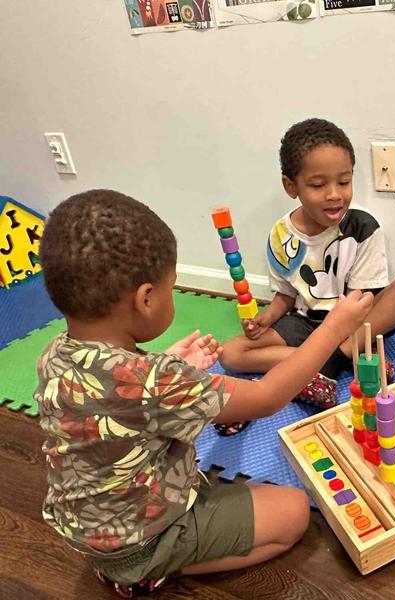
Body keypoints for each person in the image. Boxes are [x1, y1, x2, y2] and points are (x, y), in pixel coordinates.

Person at [35, 190, 373, 596]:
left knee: (255, 495)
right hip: (140, 540)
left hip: (91, 527)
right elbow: (266, 397)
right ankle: (149, 570)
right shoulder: (156, 381)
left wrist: (170, 365)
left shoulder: (55, 353)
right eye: (171, 289)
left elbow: (115, 395)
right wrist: (334, 327)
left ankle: (139, 558)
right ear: (146, 299)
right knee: (295, 512)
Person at [220, 118, 395, 418]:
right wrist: (268, 317)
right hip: (305, 322)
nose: (334, 194)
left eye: (344, 182)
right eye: (318, 185)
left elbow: (364, 300)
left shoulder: (362, 227)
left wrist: (337, 337)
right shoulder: (281, 234)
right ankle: (344, 360)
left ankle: (333, 359)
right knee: (230, 354)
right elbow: (286, 295)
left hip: (357, 321)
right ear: (291, 186)